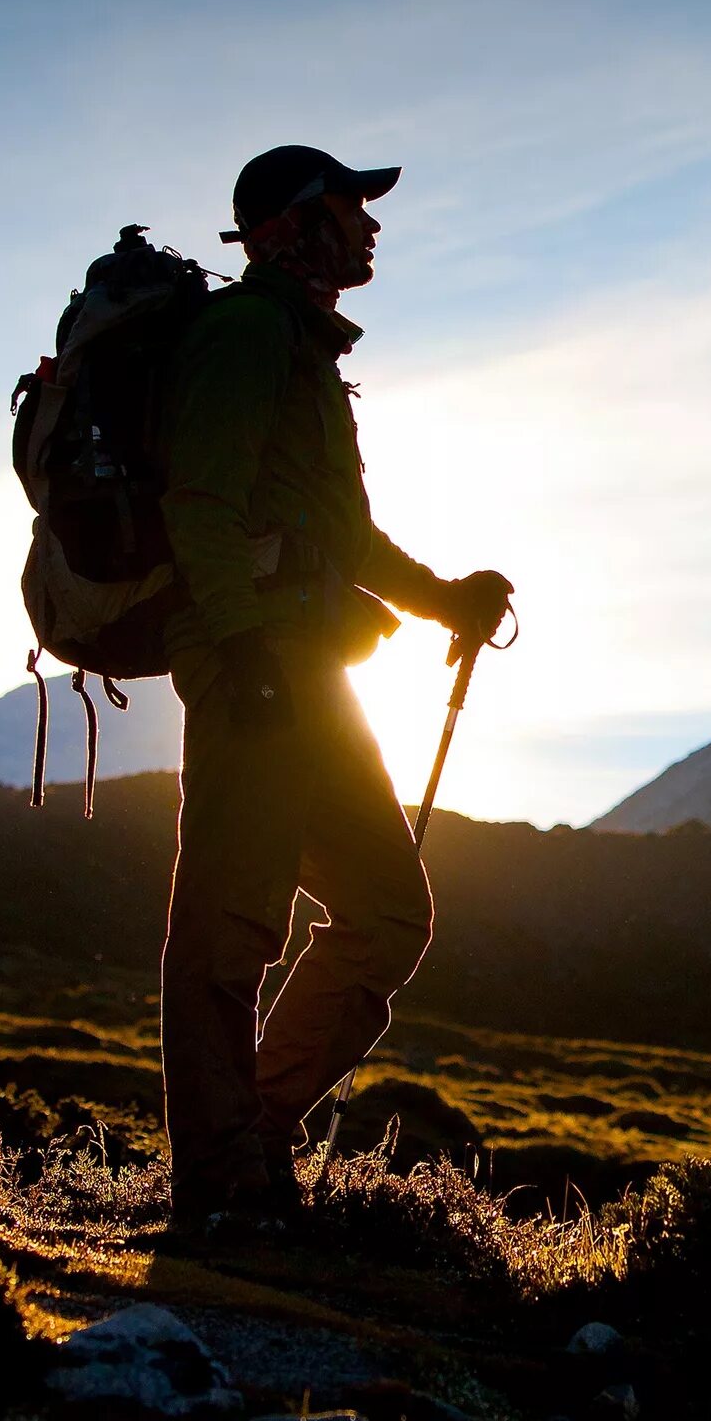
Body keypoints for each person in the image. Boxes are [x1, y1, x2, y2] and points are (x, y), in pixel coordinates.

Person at [154, 144, 513, 1229]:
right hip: (257, 668)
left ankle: (253, 1142)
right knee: (228, 927)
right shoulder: (246, 336)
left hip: (310, 671)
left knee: (389, 910)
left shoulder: (303, 354)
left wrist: (447, 598)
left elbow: (341, 536)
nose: (368, 225)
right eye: (347, 206)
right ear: (288, 226)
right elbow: (199, 502)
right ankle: (221, 1188)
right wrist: (247, 652)